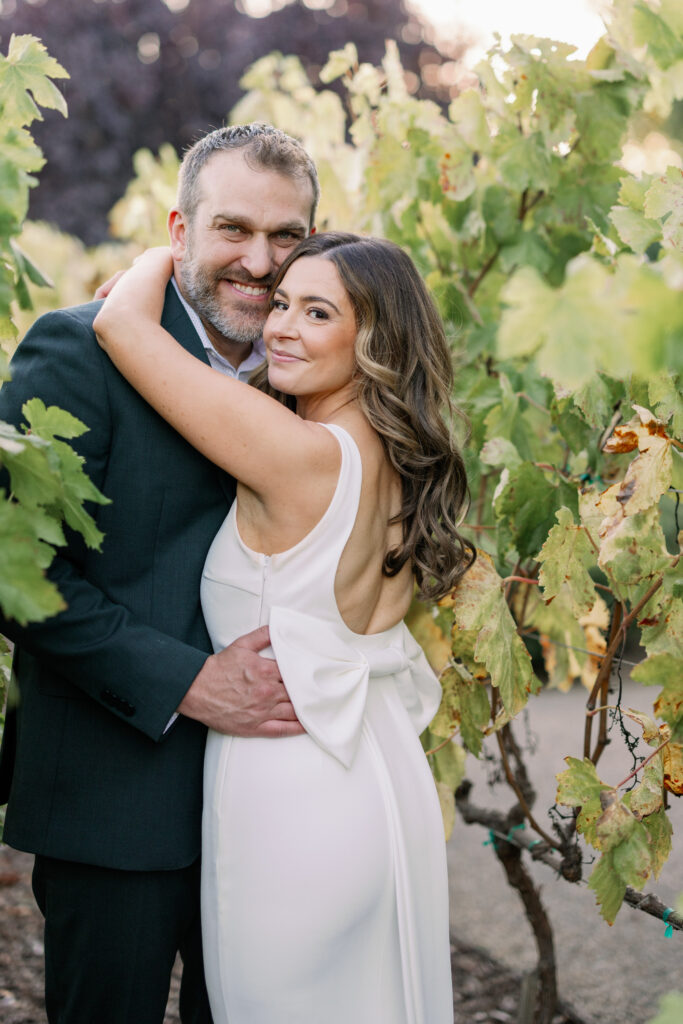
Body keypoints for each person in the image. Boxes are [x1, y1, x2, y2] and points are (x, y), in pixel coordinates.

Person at [93, 231, 475, 1024]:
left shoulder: (298, 454)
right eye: (281, 304)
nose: (280, 327)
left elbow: (120, 327)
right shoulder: (395, 456)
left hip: (291, 789)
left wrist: (177, 247)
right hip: (376, 776)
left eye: (317, 312)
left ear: (372, 338)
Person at [0, 123, 319, 1024]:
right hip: (114, 799)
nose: (259, 261)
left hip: (268, 806)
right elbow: (15, 567)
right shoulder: (79, 353)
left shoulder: (311, 380)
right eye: (232, 229)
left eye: (286, 236)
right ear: (178, 233)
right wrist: (188, 682)